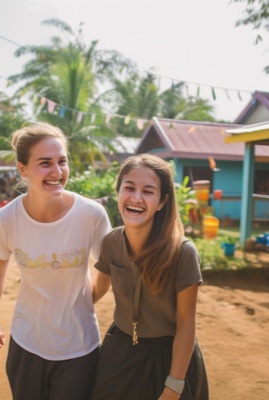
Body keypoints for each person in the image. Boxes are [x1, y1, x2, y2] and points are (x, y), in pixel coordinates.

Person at [0, 122, 111, 399]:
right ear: (23, 169)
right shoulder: (6, 220)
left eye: (62, 161)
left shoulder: (92, 215)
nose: (57, 172)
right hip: (27, 343)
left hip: (80, 346)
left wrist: (81, 303)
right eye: (45, 163)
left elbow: (106, 270)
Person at [89, 154, 209, 400]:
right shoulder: (111, 241)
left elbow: (186, 323)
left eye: (148, 191)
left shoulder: (182, 252)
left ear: (162, 202)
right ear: (118, 192)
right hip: (119, 351)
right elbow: (95, 292)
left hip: (167, 358)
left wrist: (174, 385)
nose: (136, 198)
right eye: (129, 188)